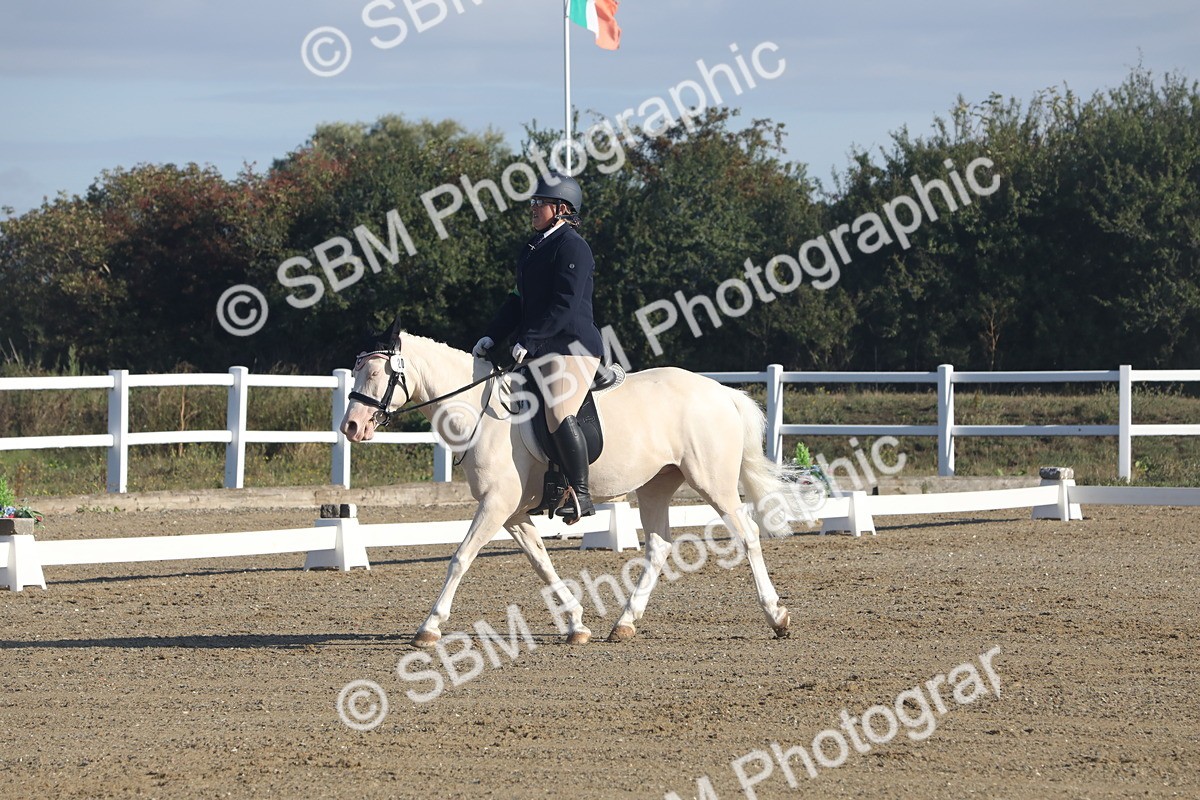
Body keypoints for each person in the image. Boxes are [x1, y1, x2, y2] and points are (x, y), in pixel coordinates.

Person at [472, 172, 603, 522]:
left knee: (557, 412)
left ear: (561, 209)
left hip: (572, 346)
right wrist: (493, 335)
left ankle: (581, 492)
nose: (532, 208)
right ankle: (547, 485)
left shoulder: (572, 246)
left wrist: (529, 340)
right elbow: (518, 300)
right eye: (532, 202)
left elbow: (565, 304)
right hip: (539, 347)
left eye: (539, 203)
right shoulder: (533, 248)